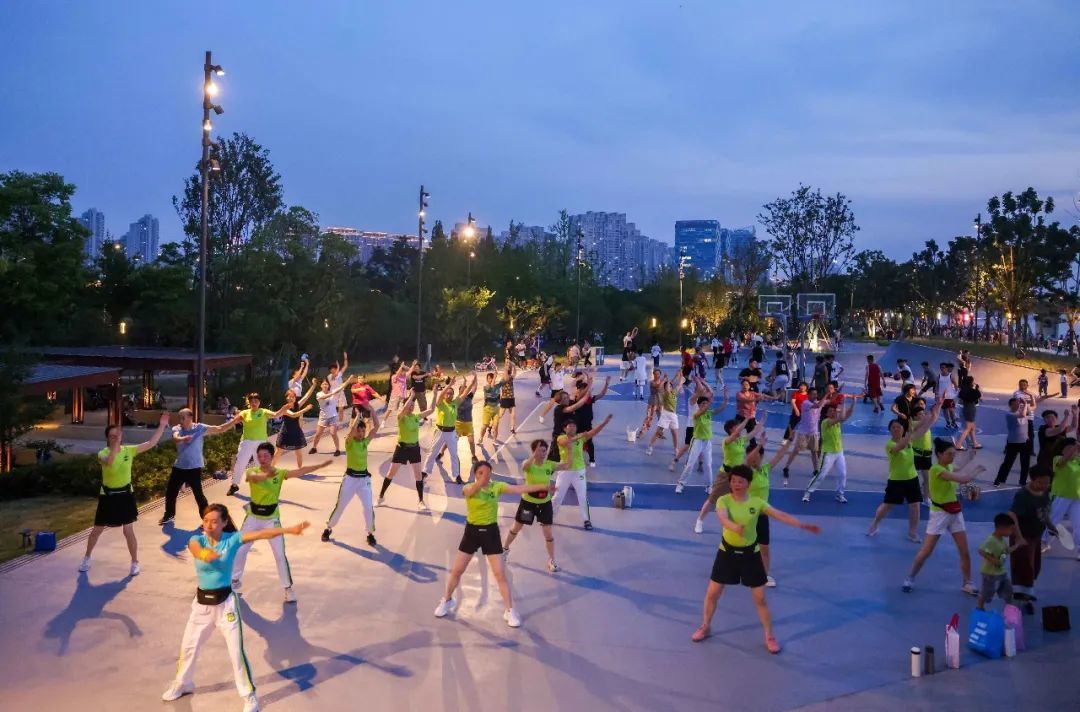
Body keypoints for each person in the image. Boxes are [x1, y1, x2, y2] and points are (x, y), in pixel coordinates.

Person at [161, 503, 310, 712]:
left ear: (224, 522)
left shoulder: (232, 540)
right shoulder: (197, 540)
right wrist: (204, 555)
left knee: (236, 653)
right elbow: (195, 549)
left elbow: (262, 533)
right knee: (188, 647)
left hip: (226, 607)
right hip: (201, 607)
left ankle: (249, 696)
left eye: (214, 521)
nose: (209, 525)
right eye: (206, 520)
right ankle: (183, 683)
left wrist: (289, 530)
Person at [691, 464, 821, 651]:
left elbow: (779, 514)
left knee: (760, 598)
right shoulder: (723, 500)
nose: (736, 484)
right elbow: (723, 519)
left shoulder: (757, 503)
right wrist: (734, 527)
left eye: (740, 481)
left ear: (748, 484)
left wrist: (801, 525)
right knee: (712, 593)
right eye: (733, 481)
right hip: (726, 553)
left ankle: (769, 636)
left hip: (750, 555)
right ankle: (705, 626)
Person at [433, 461, 551, 628]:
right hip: (472, 533)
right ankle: (446, 600)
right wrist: (479, 483)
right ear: (475, 474)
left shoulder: (497, 487)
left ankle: (510, 611)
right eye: (481, 473)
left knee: (499, 574)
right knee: (457, 571)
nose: (485, 476)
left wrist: (542, 486)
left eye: (488, 473)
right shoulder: (468, 488)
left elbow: (520, 489)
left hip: (491, 533)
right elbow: (470, 492)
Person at [79, 413, 170, 574]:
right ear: (107, 438)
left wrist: (162, 425)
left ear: (122, 436)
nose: (115, 438)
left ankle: (135, 562)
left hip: (126, 495)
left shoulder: (129, 450)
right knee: (97, 530)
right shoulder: (102, 453)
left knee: (128, 531)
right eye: (112, 436)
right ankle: (87, 558)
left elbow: (151, 443)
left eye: (118, 435)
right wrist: (114, 447)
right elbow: (110, 462)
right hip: (108, 496)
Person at [902, 438, 986, 595]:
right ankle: (910, 578)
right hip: (939, 514)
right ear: (939, 454)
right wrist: (977, 470)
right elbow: (963, 479)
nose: (952, 457)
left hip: (955, 512)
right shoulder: (936, 470)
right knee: (927, 550)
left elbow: (958, 466)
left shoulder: (948, 466)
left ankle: (967, 583)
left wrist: (969, 456)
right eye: (949, 454)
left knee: (964, 551)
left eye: (954, 454)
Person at [867, 401, 943, 541]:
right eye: (893, 427)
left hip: (912, 478)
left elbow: (926, 427)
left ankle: (912, 532)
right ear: (890, 430)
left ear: (903, 429)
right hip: (896, 480)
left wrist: (936, 409)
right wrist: (910, 433)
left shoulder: (909, 440)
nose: (896, 429)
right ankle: (875, 524)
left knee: (915, 505)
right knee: (887, 506)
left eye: (898, 427)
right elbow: (899, 447)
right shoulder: (890, 444)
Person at [503, 439, 571, 570]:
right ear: (534, 451)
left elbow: (567, 465)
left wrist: (570, 449)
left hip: (544, 504)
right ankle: (504, 549)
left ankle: (551, 560)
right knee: (516, 528)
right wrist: (533, 456)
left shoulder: (549, 465)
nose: (543, 453)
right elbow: (524, 467)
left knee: (548, 533)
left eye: (544, 451)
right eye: (540, 451)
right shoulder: (529, 464)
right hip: (528, 503)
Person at [161, 408, 236, 525]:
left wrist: (234, 421)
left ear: (190, 418)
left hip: (194, 468)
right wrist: (183, 438)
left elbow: (220, 428)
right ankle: (169, 515)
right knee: (171, 492)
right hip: (179, 467)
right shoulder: (177, 428)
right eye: (180, 418)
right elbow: (176, 438)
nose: (180, 420)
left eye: (183, 418)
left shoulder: (200, 428)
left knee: (199, 495)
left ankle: (207, 519)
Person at [322, 407, 381, 547]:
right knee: (340, 506)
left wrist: (372, 410)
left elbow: (376, 426)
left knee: (368, 508)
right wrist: (357, 417)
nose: (361, 433)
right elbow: (350, 433)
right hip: (349, 480)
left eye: (363, 431)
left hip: (364, 481)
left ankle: (370, 533)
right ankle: (328, 528)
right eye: (358, 431)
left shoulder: (365, 442)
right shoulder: (349, 443)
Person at [553, 414, 613, 530]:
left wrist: (605, 422)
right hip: (565, 471)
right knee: (557, 496)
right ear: (565, 429)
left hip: (579, 472)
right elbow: (566, 443)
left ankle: (586, 520)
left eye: (574, 426)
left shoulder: (580, 438)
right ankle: (550, 516)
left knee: (582, 496)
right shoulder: (560, 438)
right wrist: (580, 436)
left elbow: (594, 432)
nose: (573, 428)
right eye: (570, 426)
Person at [377, 391, 435, 510]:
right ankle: (380, 496)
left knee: (418, 476)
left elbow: (431, 409)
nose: (411, 407)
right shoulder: (401, 417)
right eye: (409, 405)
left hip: (414, 449)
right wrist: (412, 396)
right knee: (390, 473)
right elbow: (403, 409)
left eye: (413, 405)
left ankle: (421, 501)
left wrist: (435, 394)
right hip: (401, 449)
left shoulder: (416, 417)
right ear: (405, 406)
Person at [226, 394, 290, 497]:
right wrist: (234, 419)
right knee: (239, 464)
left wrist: (284, 408)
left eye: (256, 401)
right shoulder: (245, 413)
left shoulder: (263, 412)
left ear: (259, 402)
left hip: (260, 444)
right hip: (246, 442)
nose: (254, 403)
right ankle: (234, 485)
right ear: (249, 402)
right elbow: (236, 420)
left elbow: (276, 414)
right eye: (252, 401)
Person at [801, 395, 856, 503]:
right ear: (826, 414)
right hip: (828, 454)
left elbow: (848, 413)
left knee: (842, 474)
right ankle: (808, 492)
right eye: (831, 411)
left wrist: (854, 402)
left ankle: (840, 494)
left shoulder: (837, 422)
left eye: (834, 411)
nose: (833, 412)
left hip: (839, 452)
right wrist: (843, 403)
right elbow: (841, 417)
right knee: (821, 475)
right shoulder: (825, 422)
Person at [1011, 467, 1053, 606]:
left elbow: (1044, 512)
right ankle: (1025, 595)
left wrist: (1051, 525)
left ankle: (1024, 592)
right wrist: (1018, 537)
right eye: (1041, 482)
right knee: (1025, 565)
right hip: (1023, 535)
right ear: (1032, 480)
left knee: (1035, 566)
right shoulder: (1022, 496)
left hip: (1036, 535)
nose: (1045, 485)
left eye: (1047, 482)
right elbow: (1012, 515)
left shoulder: (1045, 492)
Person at [675, 381, 726, 493]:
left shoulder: (709, 414)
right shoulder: (696, 415)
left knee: (708, 465)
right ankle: (680, 483)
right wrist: (707, 403)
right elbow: (702, 411)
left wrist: (725, 400)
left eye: (705, 404)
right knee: (690, 464)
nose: (704, 405)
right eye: (702, 404)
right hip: (697, 441)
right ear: (699, 405)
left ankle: (709, 486)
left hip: (707, 442)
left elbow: (720, 409)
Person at [423, 378, 464, 485]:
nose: (449, 395)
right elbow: (440, 395)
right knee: (432, 452)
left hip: (451, 432)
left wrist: (473, 381)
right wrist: (449, 385)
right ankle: (425, 472)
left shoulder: (455, 403)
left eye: (451, 393)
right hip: (440, 432)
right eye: (447, 393)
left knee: (454, 454)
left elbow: (465, 393)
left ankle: (457, 475)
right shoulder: (441, 403)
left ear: (453, 395)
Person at [1047, 438, 1080, 561]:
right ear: (1063, 450)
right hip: (1061, 496)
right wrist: (1075, 447)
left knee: (1078, 524)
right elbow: (1062, 462)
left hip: (1077, 497)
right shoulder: (1057, 459)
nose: (1074, 451)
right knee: (1053, 520)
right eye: (1070, 448)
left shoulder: (1078, 461)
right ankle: (1044, 542)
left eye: (1075, 449)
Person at [975, 513, 1016, 611]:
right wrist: (994, 560)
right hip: (990, 574)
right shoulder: (991, 540)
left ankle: (1010, 608)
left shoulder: (1002, 540)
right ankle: (979, 607)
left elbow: (1006, 551)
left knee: (1008, 590)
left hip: (1001, 572)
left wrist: (1017, 545)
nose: (1012, 532)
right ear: (1001, 528)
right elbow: (981, 550)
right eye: (1010, 529)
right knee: (986, 592)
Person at [782, 386, 822, 486]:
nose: (815, 396)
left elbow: (829, 401)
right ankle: (786, 467)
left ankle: (816, 470)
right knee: (796, 451)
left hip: (814, 432)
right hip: (804, 432)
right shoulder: (806, 403)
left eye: (816, 394)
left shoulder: (817, 402)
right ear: (809, 395)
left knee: (814, 452)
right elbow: (818, 405)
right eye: (813, 394)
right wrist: (827, 395)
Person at [309, 375, 356, 456]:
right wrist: (332, 393)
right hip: (323, 417)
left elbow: (341, 386)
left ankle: (337, 449)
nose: (325, 385)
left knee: (333, 433)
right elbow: (324, 397)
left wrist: (349, 379)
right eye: (323, 384)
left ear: (328, 385)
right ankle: (314, 448)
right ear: (321, 386)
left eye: (326, 384)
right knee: (318, 434)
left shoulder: (332, 391)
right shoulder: (319, 394)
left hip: (333, 416)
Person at [274, 382, 317, 468]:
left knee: (298, 452)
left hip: (296, 431)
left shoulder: (297, 404)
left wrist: (314, 385)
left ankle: (299, 470)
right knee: (278, 451)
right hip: (285, 432)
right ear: (286, 398)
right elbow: (294, 415)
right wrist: (306, 409)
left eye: (293, 397)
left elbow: (306, 396)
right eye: (289, 396)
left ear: (295, 398)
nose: (291, 398)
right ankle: (270, 469)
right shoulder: (285, 408)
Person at [994, 398, 1031, 487]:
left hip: (1025, 441)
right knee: (1008, 462)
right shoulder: (1010, 414)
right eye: (1015, 404)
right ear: (1010, 405)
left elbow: (1031, 409)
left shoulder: (1022, 411)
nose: (1018, 405)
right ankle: (999, 480)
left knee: (1025, 463)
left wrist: (1030, 398)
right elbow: (1023, 415)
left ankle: (1022, 481)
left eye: (1018, 403)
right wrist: (1025, 403)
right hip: (1013, 442)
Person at [645, 373, 680, 457]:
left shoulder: (674, 393)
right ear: (665, 388)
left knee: (675, 433)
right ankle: (650, 447)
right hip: (666, 414)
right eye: (668, 386)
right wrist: (666, 379)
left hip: (673, 415)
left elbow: (678, 385)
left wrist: (680, 376)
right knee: (658, 432)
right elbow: (667, 386)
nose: (669, 387)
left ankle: (676, 449)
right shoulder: (665, 394)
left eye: (670, 386)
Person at [454, 372, 480, 467]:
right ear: (459, 391)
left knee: (471, 441)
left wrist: (475, 377)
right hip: (458, 424)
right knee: (452, 441)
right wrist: (465, 382)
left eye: (465, 389)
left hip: (468, 423)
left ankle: (473, 456)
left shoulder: (469, 397)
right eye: (462, 389)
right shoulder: (457, 399)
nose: (464, 390)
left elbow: (474, 387)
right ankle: (441, 452)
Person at [956, 376, 982, 450]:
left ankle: (975, 443)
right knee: (968, 428)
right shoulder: (973, 391)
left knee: (972, 427)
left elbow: (961, 399)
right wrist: (977, 389)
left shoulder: (963, 391)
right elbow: (980, 397)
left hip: (965, 408)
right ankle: (958, 444)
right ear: (971, 382)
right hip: (971, 409)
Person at [497, 362, 519, 439]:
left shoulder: (511, 377)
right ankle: (491, 425)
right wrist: (507, 366)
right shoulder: (504, 378)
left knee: (513, 414)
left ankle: (512, 428)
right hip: (505, 398)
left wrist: (512, 364)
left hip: (511, 398)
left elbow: (514, 372)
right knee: (501, 414)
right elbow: (506, 375)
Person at [326, 352, 349, 423]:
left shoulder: (339, 374)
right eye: (331, 369)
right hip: (333, 393)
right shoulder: (329, 376)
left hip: (341, 393)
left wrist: (345, 358)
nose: (333, 370)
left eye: (334, 368)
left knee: (341, 409)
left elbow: (345, 366)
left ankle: (340, 422)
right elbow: (335, 375)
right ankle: (332, 422)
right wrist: (338, 366)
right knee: (332, 409)